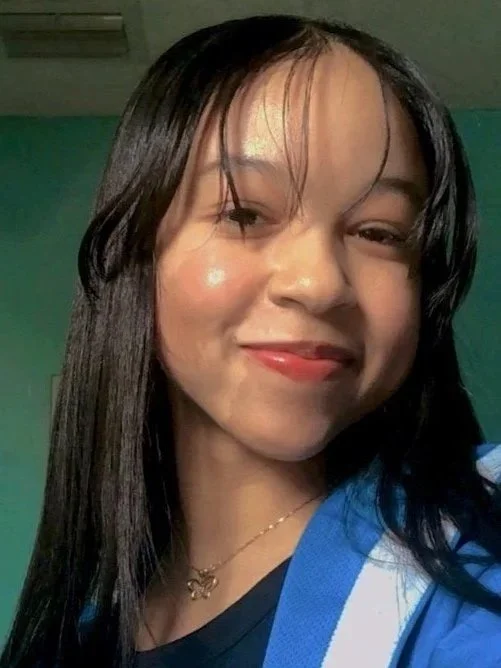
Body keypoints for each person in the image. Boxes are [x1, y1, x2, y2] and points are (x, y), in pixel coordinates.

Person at [2, 13, 501, 668]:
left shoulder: (472, 574)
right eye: (243, 212)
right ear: (136, 250)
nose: (319, 283)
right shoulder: (75, 637)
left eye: (379, 232)